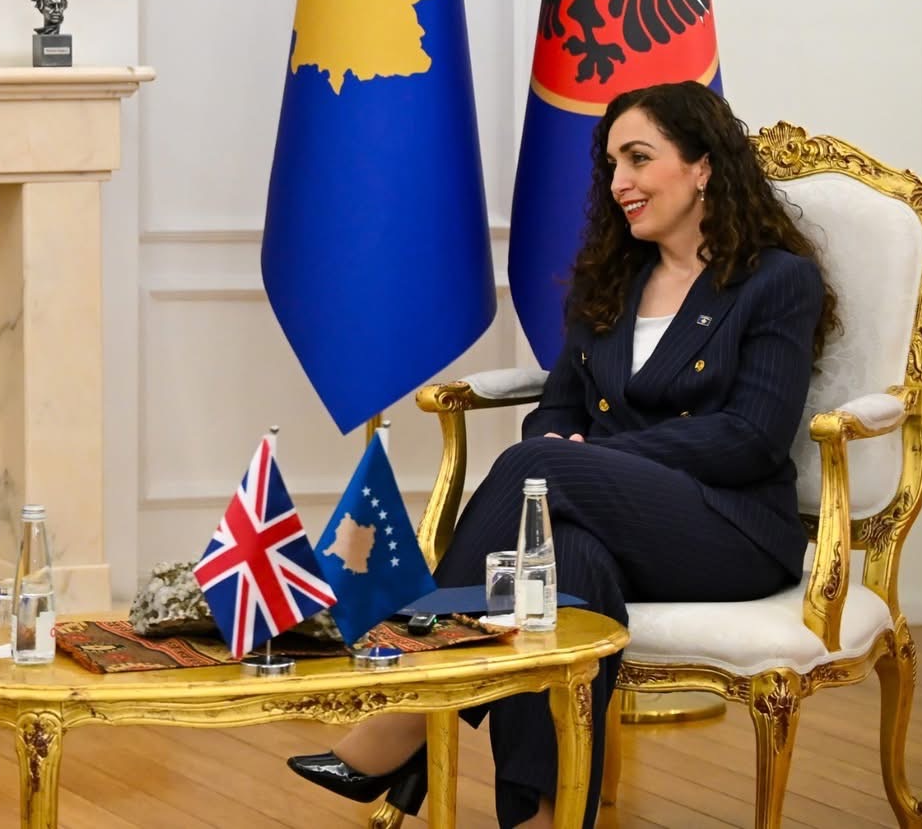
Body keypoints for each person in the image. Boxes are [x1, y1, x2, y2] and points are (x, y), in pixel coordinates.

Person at [286, 81, 833, 829]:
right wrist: (562, 448)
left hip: (731, 530)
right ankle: (547, 816)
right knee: (558, 568)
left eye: (638, 158)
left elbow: (752, 436)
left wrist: (587, 459)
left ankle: (411, 706)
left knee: (536, 471)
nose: (620, 182)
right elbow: (558, 408)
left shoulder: (775, 280)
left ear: (703, 165)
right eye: (611, 165)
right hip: (614, 524)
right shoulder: (614, 280)